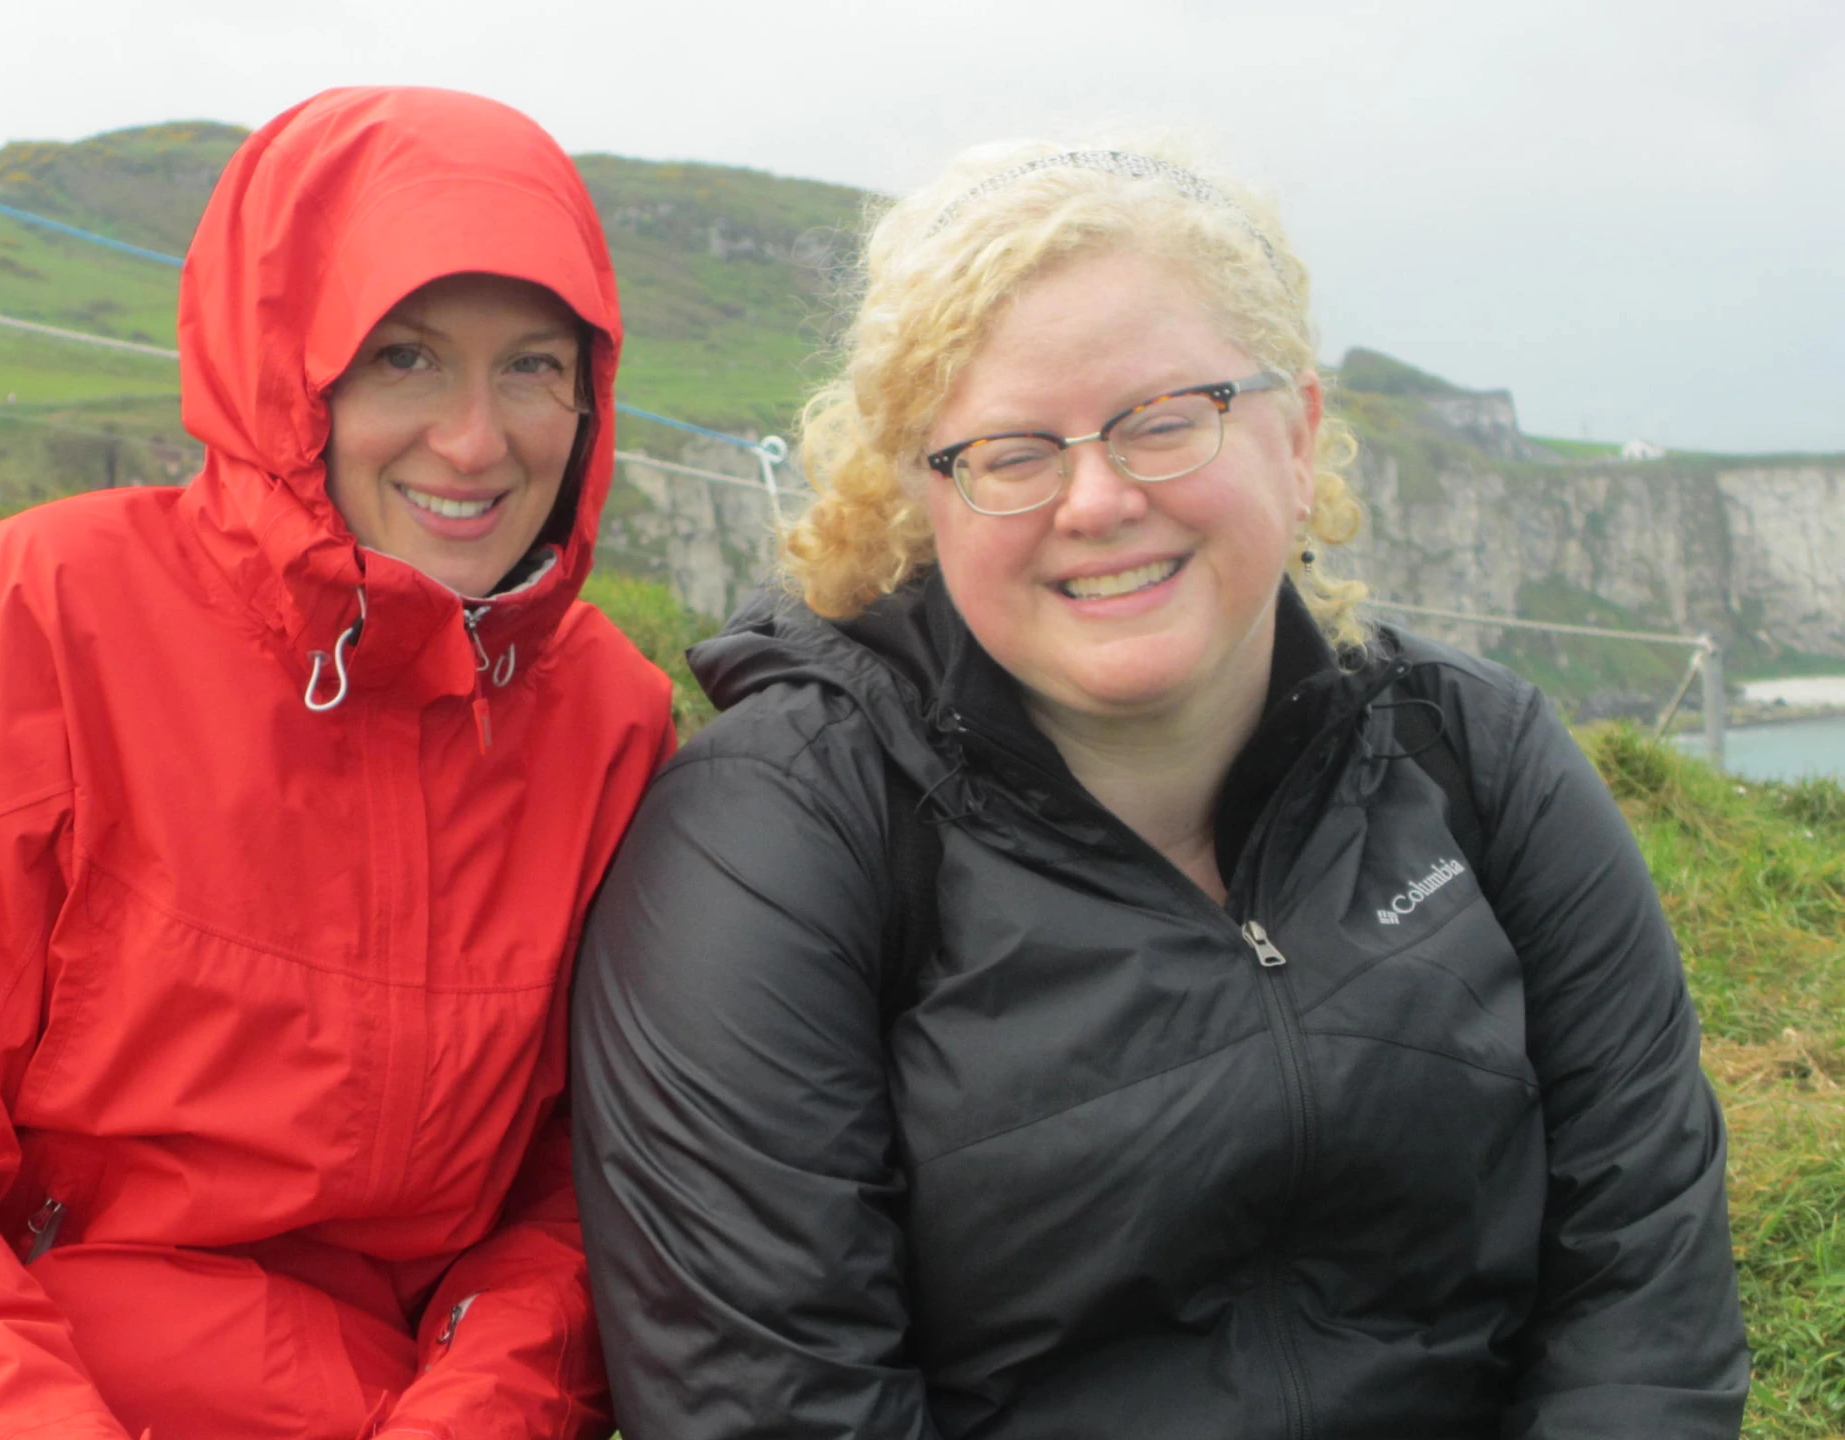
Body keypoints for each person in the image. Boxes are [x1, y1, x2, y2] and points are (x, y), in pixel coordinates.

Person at [570, 139, 1747, 1438]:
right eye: (1012, 453)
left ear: (1294, 435)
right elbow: (774, 1404)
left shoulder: (1474, 754)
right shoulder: (778, 842)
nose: (1100, 498)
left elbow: (1642, 1288)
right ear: (924, 496)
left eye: (1166, 420)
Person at [0, 87, 672, 1440]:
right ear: (286, 365)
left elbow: (578, 1191)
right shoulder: (48, 612)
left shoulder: (612, 718)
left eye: (534, 366)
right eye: (405, 357)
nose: (478, 443)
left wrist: (478, 1411)